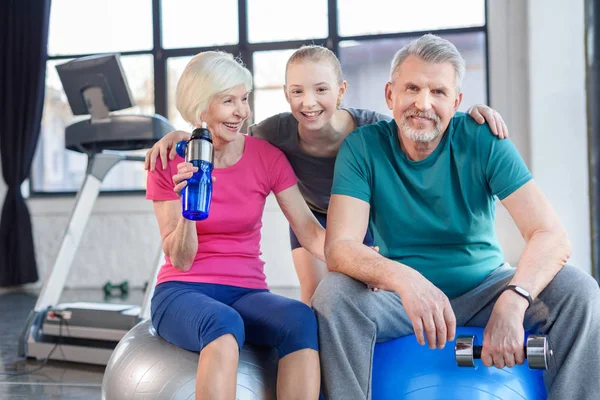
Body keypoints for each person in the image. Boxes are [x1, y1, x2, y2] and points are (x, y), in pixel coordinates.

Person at [311, 33, 600, 400]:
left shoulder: (483, 138)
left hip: (486, 289)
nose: (423, 103)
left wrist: (514, 299)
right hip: (400, 300)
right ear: (390, 95)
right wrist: (406, 280)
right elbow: (340, 248)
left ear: (457, 101)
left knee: (578, 291)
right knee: (334, 295)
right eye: (412, 88)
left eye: (438, 92)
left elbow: (550, 234)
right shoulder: (363, 147)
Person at [145, 45, 510, 305]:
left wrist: (471, 114)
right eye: (297, 92)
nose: (309, 102)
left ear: (341, 91)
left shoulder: (373, 128)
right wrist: (185, 133)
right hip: (310, 215)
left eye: (321, 90)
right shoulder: (271, 133)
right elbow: (225, 130)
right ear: (286, 95)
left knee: (371, 289)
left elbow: (423, 124)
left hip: (361, 216)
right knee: (316, 298)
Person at [146, 51, 324, 400]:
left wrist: (362, 261)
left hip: (247, 291)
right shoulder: (168, 160)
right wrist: (189, 206)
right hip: (182, 291)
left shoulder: (266, 157)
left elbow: (309, 230)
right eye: (229, 101)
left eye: (244, 99)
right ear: (201, 108)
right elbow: (180, 260)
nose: (242, 111)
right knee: (223, 324)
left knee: (300, 319)